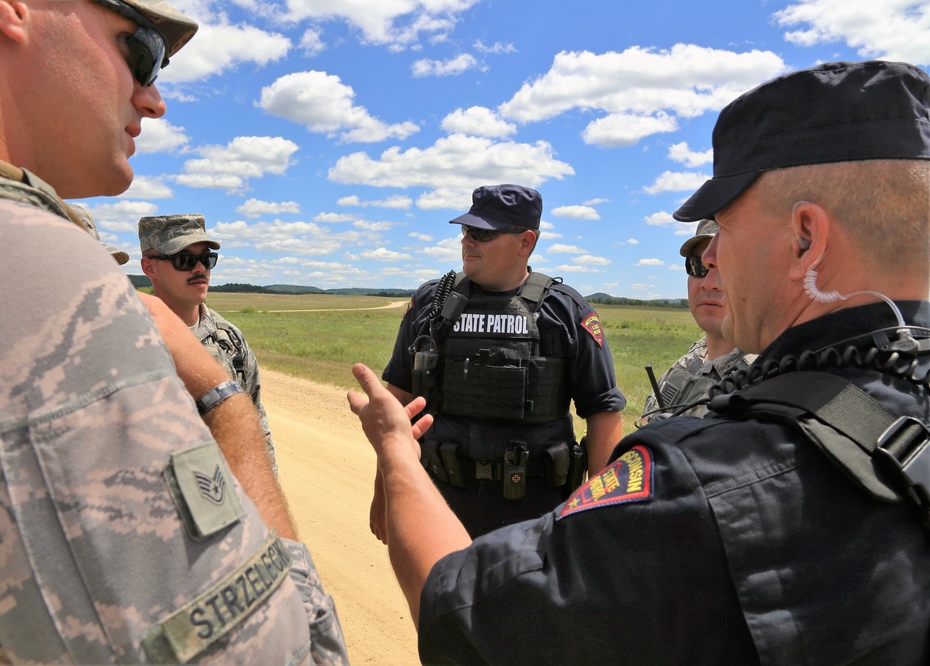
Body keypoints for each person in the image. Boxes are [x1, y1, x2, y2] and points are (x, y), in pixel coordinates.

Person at [348, 59, 930, 663]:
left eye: (722, 232)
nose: (714, 264)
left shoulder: (700, 483)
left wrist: (394, 453)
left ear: (806, 238)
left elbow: (463, 612)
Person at [0, 1, 346, 663]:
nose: (153, 100)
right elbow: (278, 652)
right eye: (140, 50)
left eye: (207, 258)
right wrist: (226, 409)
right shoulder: (11, 263)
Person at [375, 183, 626, 539]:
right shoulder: (432, 304)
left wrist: (601, 514)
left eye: (482, 233)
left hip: (535, 518)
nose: (467, 241)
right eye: (465, 230)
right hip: (438, 506)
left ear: (526, 242)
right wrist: (384, 490)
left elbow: (603, 413)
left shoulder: (565, 313)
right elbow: (397, 407)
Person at [139, 213, 279, 473]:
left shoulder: (230, 339)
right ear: (149, 268)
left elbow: (256, 423)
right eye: (184, 260)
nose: (200, 269)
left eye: (206, 259)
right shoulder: (128, 338)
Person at [639, 219, 756, 424]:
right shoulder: (690, 362)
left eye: (728, 266)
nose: (709, 283)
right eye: (698, 267)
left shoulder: (764, 379)